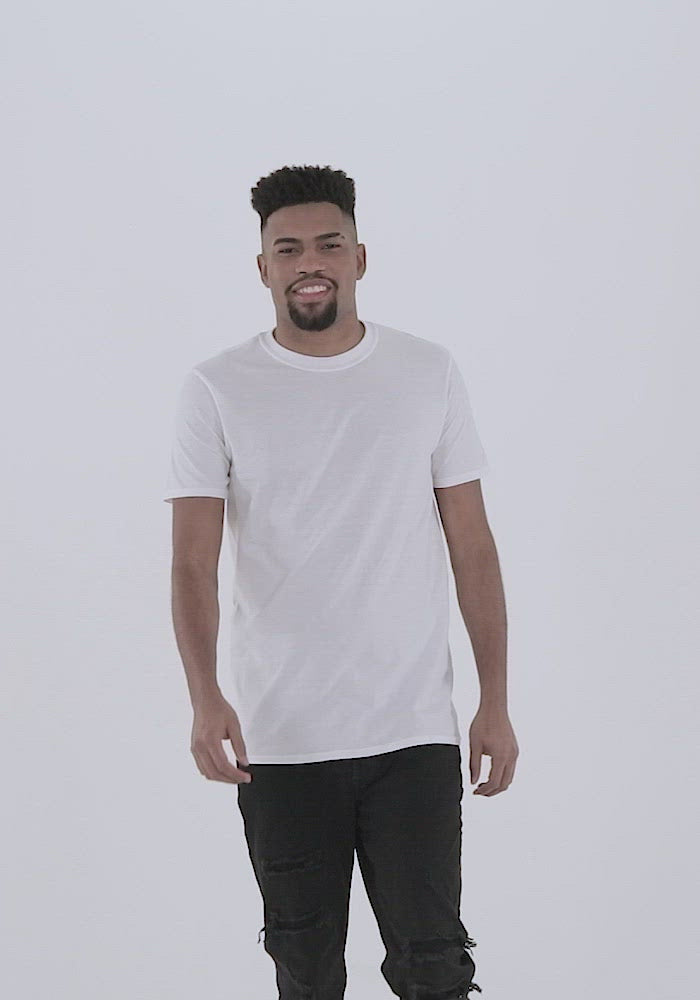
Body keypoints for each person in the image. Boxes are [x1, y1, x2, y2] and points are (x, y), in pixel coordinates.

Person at [163, 164, 518, 999]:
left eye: (328, 245)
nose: (309, 263)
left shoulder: (427, 372)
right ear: (264, 268)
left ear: (360, 257)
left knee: (434, 966)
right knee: (306, 970)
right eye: (288, 249)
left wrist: (494, 700)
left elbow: (473, 546)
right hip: (282, 739)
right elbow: (190, 562)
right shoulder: (216, 388)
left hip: (412, 731)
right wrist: (204, 697)